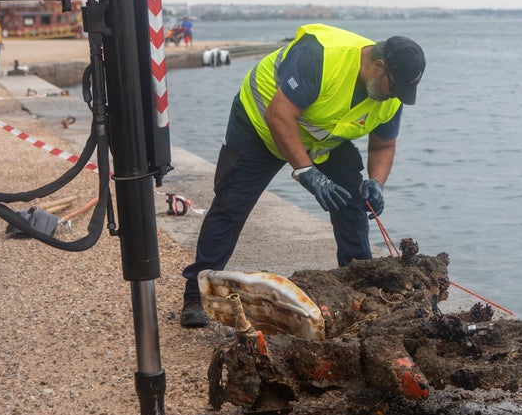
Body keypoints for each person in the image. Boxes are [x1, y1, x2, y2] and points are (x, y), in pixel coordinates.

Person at [180, 23, 426, 327]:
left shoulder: (391, 98)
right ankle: (195, 295)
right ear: (378, 67)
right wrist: (307, 172)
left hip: (321, 140)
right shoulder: (322, 57)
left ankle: (359, 294)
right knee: (231, 206)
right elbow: (278, 115)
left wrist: (376, 182)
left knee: (351, 203)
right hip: (259, 126)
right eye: (394, 89)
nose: (394, 98)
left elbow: (384, 145)